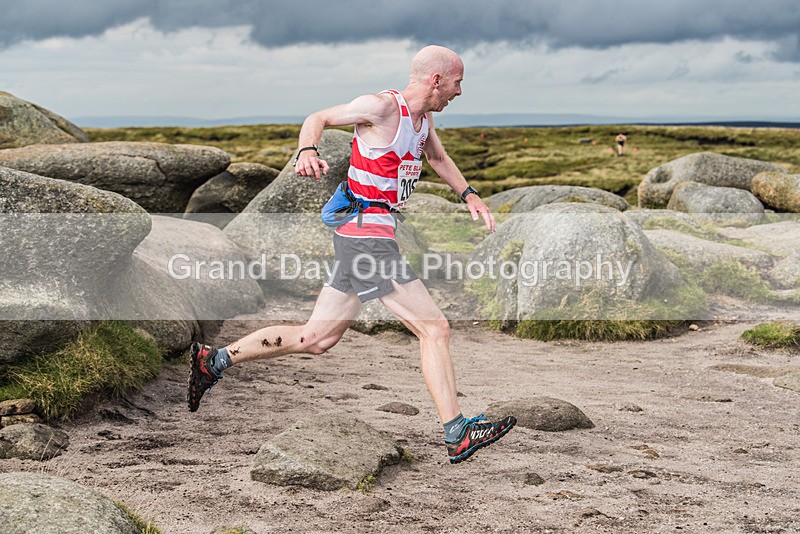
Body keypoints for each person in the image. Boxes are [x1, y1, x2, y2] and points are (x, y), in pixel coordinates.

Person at [187, 45, 516, 464]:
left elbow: (436, 157)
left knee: (316, 338)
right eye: (457, 82)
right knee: (435, 328)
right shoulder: (380, 107)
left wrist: (469, 194)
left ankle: (212, 361)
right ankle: (458, 432)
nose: (459, 91)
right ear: (436, 80)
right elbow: (317, 118)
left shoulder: (422, 120)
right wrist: (308, 150)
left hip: (365, 235)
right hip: (365, 237)